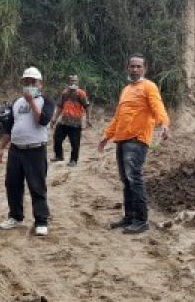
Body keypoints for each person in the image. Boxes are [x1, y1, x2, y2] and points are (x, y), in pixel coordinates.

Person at [97, 54, 171, 234]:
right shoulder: (126, 90)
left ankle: (141, 220)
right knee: (126, 180)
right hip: (121, 140)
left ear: (144, 69)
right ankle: (129, 217)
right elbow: (118, 116)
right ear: (128, 68)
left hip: (137, 140)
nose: (135, 69)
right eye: (132, 66)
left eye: (139, 66)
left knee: (134, 179)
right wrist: (107, 136)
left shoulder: (149, 86)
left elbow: (157, 107)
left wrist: (164, 124)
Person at [0, 66, 53, 236]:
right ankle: (15, 217)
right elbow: (9, 128)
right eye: (26, 82)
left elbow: (42, 121)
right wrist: (0, 148)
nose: (29, 84)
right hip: (16, 151)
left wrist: (32, 102)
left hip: (35, 150)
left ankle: (41, 221)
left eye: (33, 82)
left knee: (37, 186)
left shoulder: (46, 101)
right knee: (12, 185)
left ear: (40, 84)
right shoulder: (17, 103)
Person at [50, 74, 90, 166]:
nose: (74, 82)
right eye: (72, 81)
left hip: (75, 123)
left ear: (78, 82)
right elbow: (60, 106)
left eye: (75, 81)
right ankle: (59, 155)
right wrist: (54, 119)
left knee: (75, 143)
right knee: (57, 138)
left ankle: (73, 160)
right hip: (64, 121)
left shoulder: (81, 93)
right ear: (68, 82)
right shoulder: (65, 93)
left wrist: (88, 119)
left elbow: (87, 106)